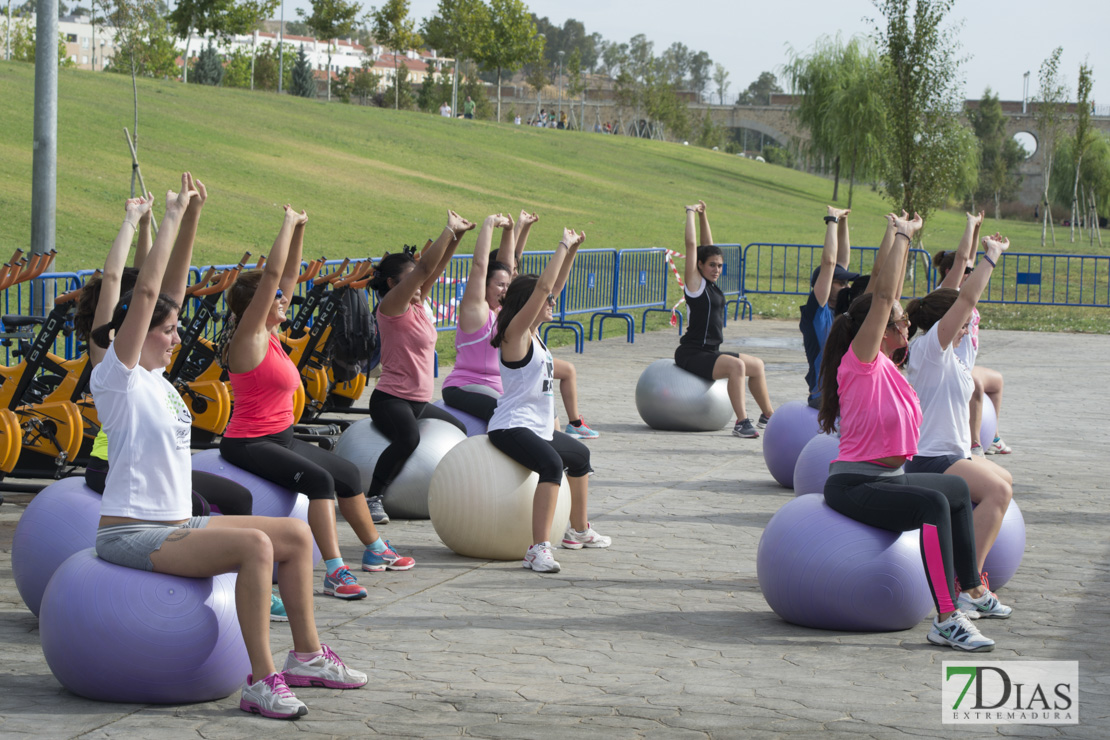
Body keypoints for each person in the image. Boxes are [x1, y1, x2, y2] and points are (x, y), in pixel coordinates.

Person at [91, 174, 366, 720]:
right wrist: (158, 217)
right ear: (135, 333)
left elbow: (166, 288)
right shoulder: (116, 379)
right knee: (256, 548)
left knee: (292, 532)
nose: (175, 336)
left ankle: (307, 656)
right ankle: (261, 680)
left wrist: (190, 213)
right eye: (166, 330)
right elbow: (145, 294)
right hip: (131, 532)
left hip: (174, 524)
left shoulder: (162, 381)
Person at [818, 211, 1009, 653]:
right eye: (898, 321)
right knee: (933, 503)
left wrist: (984, 255)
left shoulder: (889, 363)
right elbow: (885, 294)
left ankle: (969, 590)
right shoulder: (860, 362)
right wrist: (902, 236)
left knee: (956, 492)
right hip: (855, 483)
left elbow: (925, 297)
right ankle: (945, 618)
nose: (906, 324)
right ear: (877, 331)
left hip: (890, 477)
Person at [218, 205, 414, 601]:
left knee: (345, 472)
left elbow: (286, 277)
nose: (283, 300)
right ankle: (334, 570)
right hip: (250, 442)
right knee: (320, 482)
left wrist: (301, 229)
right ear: (255, 305)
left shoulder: (271, 330)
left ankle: (375, 550)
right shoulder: (249, 337)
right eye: (274, 298)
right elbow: (274, 275)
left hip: (282, 436)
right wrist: (285, 225)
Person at [487, 228, 610, 573]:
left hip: (536, 427)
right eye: (547, 302)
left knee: (580, 455)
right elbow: (544, 288)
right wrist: (560, 244)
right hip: (511, 427)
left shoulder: (536, 335)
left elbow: (551, 288)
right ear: (530, 305)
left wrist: (572, 251)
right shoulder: (516, 334)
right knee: (551, 466)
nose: (553, 302)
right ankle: (538, 549)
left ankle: (579, 530)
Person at [905, 234, 1014, 586]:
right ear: (944, 323)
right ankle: (968, 583)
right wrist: (992, 256)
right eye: (963, 323)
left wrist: (972, 230)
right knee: (998, 492)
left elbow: (958, 297)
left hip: (953, 453)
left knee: (1005, 479)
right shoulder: (929, 351)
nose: (967, 328)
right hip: (930, 457)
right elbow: (966, 296)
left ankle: (957, 549)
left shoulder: (951, 355)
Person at [365, 211, 470, 523]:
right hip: (390, 400)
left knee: (459, 430)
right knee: (409, 440)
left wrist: (458, 235)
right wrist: (447, 229)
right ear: (392, 284)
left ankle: (451, 493)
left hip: (419, 401)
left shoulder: (417, 302)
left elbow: (434, 269)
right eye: (411, 280)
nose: (420, 283)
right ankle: (373, 497)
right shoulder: (392, 308)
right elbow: (425, 267)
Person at [675, 201, 774, 438]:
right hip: (691, 353)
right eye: (711, 265)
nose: (717, 269)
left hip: (710, 351)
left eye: (719, 265)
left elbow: (707, 246)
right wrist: (690, 213)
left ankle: (768, 416)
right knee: (737, 366)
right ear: (699, 265)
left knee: (757, 366)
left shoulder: (711, 285)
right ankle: (741, 422)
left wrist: (703, 215)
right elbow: (692, 245)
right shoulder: (695, 285)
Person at [933, 212, 1011, 455]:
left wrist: (978, 229)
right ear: (950, 271)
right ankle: (975, 444)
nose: (970, 271)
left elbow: (969, 259)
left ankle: (994, 435)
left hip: (967, 363)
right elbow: (964, 259)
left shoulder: (964, 292)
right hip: (952, 367)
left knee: (996, 381)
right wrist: (969, 224)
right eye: (966, 270)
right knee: (975, 385)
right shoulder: (945, 293)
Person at [441, 212, 518, 422]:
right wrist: (489, 225)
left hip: (493, 387)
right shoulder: (477, 310)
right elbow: (479, 266)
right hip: (464, 386)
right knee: (502, 412)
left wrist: (510, 230)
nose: (505, 290)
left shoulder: (501, 311)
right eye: (500, 285)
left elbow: (506, 268)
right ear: (484, 286)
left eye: (507, 286)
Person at [799, 206, 859, 409]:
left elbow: (841, 262)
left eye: (846, 283)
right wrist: (831, 220)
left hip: (846, 395)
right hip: (824, 399)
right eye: (840, 283)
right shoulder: (817, 312)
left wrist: (843, 222)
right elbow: (830, 263)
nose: (846, 287)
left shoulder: (842, 310)